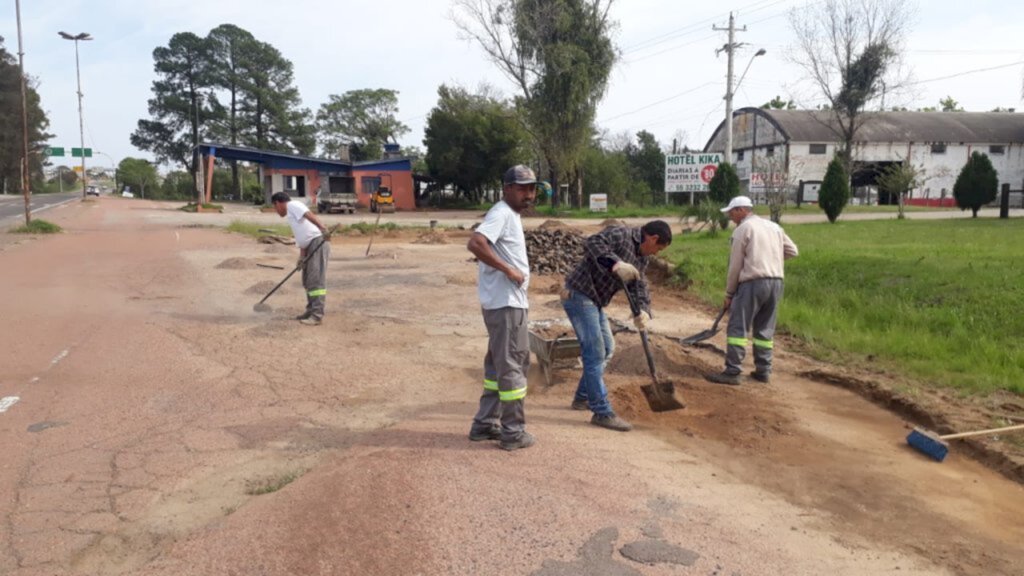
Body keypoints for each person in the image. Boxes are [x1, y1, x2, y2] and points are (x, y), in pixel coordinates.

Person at [562, 220, 673, 432]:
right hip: (579, 294)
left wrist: (643, 311)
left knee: (608, 348)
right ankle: (602, 412)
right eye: (659, 248)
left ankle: (582, 397)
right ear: (653, 238)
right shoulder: (621, 234)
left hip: (595, 301)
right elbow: (593, 242)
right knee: (594, 353)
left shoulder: (642, 259)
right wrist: (615, 263)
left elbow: (639, 286)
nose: (657, 253)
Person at [467, 165, 538, 451]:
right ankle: (513, 432)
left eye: (531, 188)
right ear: (506, 188)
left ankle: (484, 425)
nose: (528, 194)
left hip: (504, 304)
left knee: (498, 367)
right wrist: (509, 269)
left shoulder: (510, 215)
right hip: (507, 304)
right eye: (522, 188)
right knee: (513, 366)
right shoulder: (502, 213)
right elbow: (476, 243)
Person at [706, 195, 799, 385]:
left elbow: (735, 265)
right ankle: (763, 370)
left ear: (742, 210)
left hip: (752, 283)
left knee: (738, 326)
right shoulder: (774, 227)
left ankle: (733, 371)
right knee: (765, 328)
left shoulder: (743, 229)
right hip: (776, 282)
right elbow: (792, 251)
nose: (730, 216)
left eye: (732, 212)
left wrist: (729, 293)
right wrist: (770, 259)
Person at [270, 191, 332, 326]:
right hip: (309, 246)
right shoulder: (291, 216)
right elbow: (302, 239)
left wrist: (323, 228)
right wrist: (302, 258)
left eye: (275, 207)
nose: (276, 211)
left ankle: (317, 315)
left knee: (316, 280)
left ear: (278, 203)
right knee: (307, 280)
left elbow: (309, 215)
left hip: (317, 242)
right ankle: (310, 311)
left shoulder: (292, 205)